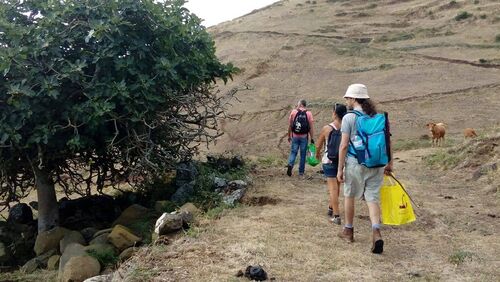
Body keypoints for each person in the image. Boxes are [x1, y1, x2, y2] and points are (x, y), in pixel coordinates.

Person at [336, 84, 393, 254]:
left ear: (353, 99)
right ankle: (376, 231)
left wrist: (340, 168)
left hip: (355, 163)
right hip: (376, 164)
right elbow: (388, 142)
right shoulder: (376, 116)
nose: (346, 100)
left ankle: (348, 230)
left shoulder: (349, 117)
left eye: (348, 98)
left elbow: (344, 145)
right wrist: (390, 163)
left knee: (349, 195)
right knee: (372, 199)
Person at [315, 103, 347, 224]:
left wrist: (317, 155)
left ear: (334, 113)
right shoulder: (347, 127)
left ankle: (336, 215)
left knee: (333, 188)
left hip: (329, 160)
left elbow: (318, 145)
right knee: (337, 186)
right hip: (342, 161)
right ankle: (331, 207)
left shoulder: (327, 128)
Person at [287, 99, 314, 178]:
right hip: (304, 137)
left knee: (293, 152)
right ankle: (301, 173)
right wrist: (312, 138)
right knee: (303, 155)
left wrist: (289, 135)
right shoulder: (309, 113)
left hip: (295, 136)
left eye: (298, 104)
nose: (297, 105)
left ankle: (290, 164)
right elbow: (311, 128)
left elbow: (290, 125)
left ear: (301, 104)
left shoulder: (294, 112)